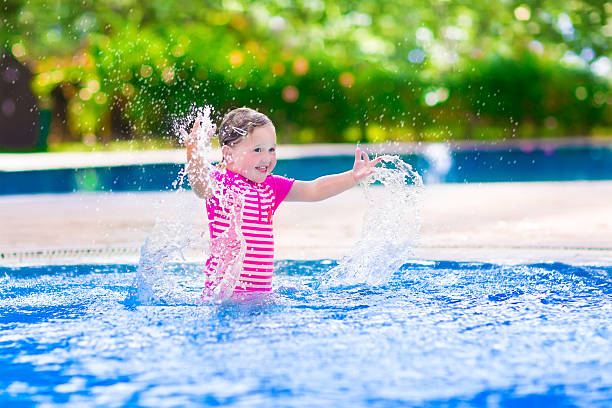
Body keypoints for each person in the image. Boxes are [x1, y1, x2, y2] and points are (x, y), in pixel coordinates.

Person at [182, 107, 381, 299]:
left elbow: (314, 189)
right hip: (224, 300)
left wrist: (352, 177)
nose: (266, 158)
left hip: (261, 297)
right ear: (228, 154)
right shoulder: (221, 183)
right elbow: (200, 186)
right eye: (257, 149)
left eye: (271, 149)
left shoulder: (270, 186)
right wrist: (194, 154)